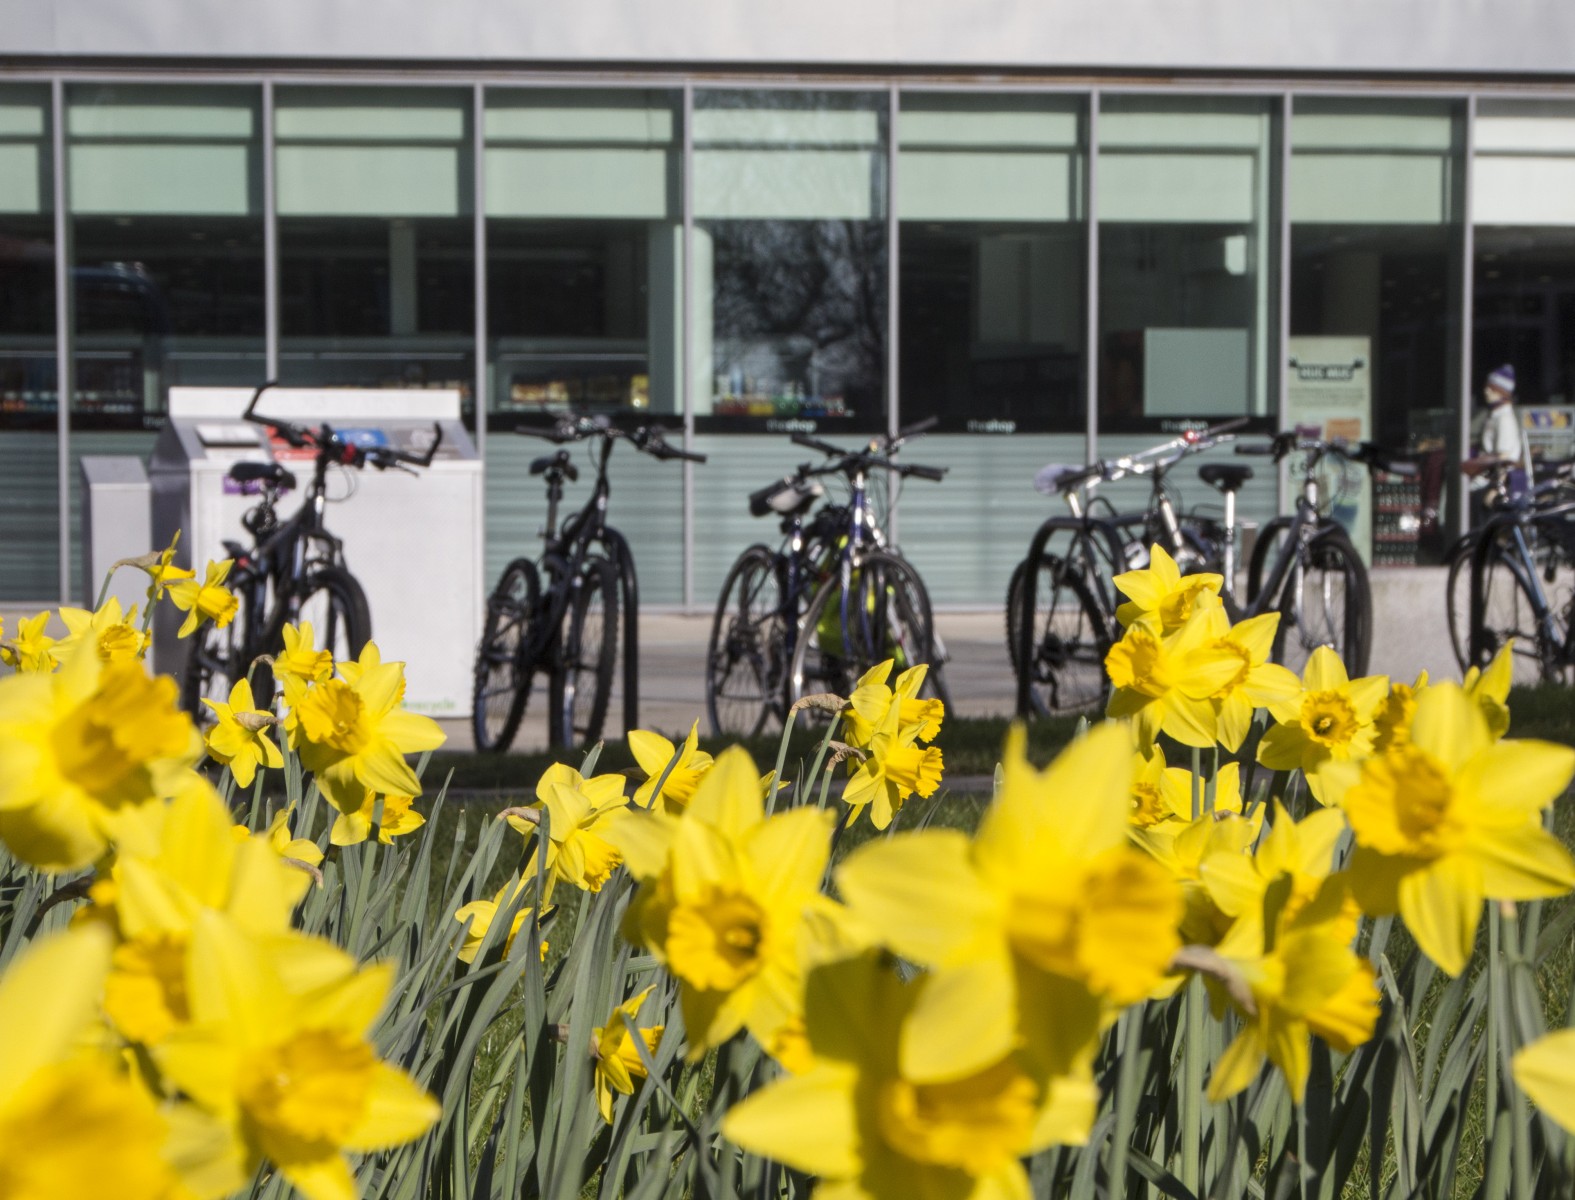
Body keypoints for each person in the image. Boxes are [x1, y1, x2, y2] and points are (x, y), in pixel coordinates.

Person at [1463, 363, 1533, 496]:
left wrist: (1495, 490)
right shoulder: (1495, 415)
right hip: (1484, 480)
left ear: (1502, 392)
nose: (1486, 391)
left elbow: (1504, 458)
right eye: (1486, 387)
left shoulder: (1504, 419)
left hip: (1487, 484)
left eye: (1492, 389)